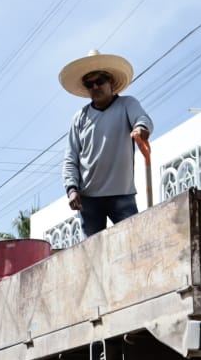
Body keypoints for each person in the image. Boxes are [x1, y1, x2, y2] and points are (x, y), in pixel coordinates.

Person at [59, 50, 153, 238]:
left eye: (99, 81)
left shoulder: (126, 104)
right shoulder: (80, 118)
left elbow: (142, 119)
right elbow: (71, 159)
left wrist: (141, 129)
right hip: (89, 200)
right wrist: (71, 189)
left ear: (110, 82)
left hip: (122, 194)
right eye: (89, 84)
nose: (95, 86)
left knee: (134, 243)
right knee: (93, 255)